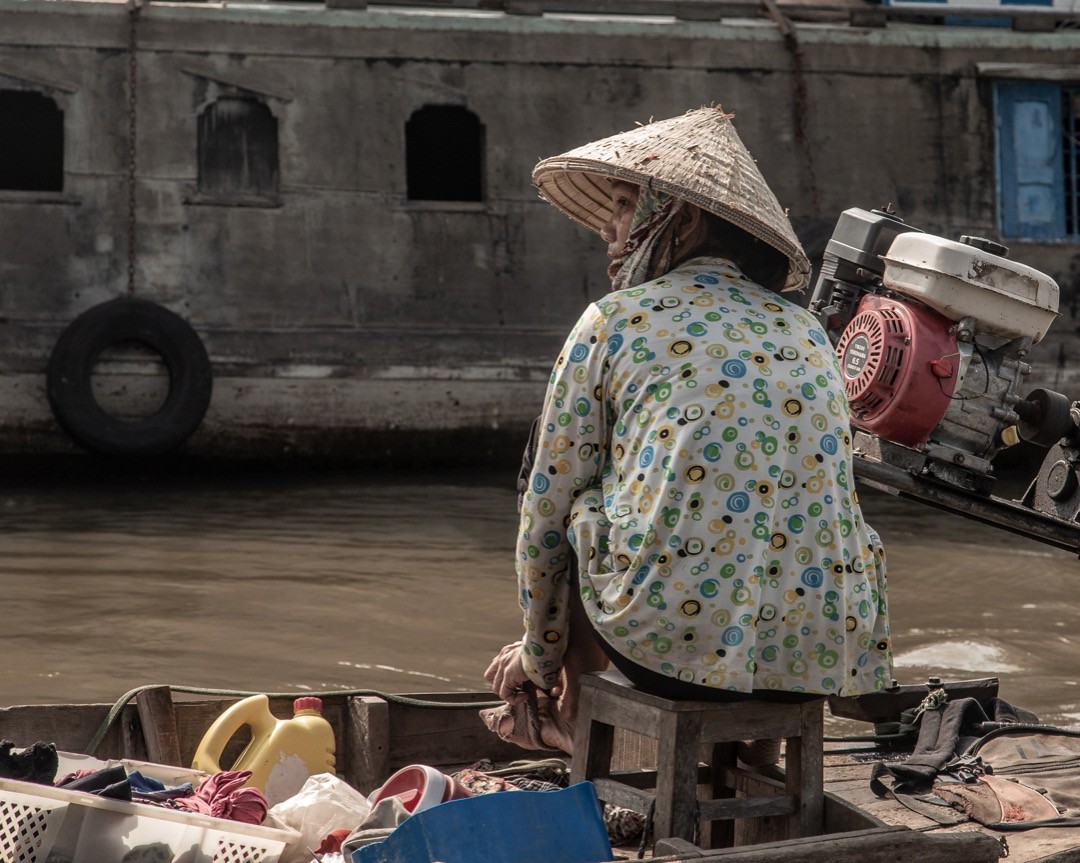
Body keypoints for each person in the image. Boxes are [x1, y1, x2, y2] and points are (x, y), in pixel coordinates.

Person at [483, 107, 892, 755]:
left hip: (668, 654)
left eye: (622, 207)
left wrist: (538, 653)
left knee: (580, 510)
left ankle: (561, 714)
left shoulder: (614, 322)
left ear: (684, 218)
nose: (609, 232)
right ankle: (747, 762)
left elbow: (546, 512)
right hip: (820, 657)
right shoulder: (807, 331)